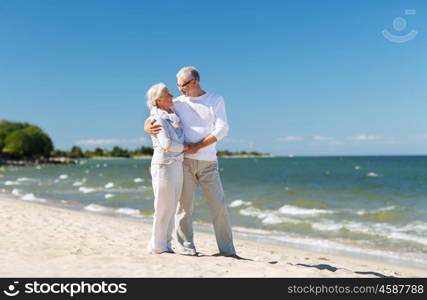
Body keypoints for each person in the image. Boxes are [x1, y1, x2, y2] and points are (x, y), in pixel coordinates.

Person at [145, 67, 238, 258]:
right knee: (184, 208)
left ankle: (227, 251)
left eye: (182, 85)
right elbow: (156, 112)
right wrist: (147, 126)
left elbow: (222, 129)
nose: (179, 90)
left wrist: (197, 146)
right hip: (184, 162)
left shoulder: (215, 100)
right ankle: (187, 248)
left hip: (208, 162)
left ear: (194, 82)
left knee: (219, 207)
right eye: (177, 86)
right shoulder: (177, 103)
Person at [145, 83, 186, 254]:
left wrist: (182, 145)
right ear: (158, 100)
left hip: (176, 166)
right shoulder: (157, 119)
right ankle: (158, 246)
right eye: (167, 93)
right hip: (163, 166)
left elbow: (178, 139)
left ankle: (166, 244)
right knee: (162, 207)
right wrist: (186, 147)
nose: (172, 95)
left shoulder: (173, 116)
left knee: (171, 207)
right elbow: (167, 144)